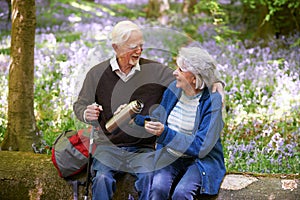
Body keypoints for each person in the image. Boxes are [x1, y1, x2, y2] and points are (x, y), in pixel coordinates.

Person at [73, 20, 225, 200]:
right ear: (116, 47)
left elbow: (193, 75)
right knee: (102, 179)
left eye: (141, 46)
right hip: (109, 147)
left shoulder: (155, 71)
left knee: (149, 180)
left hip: (142, 147)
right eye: (133, 46)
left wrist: (216, 81)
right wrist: (85, 112)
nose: (139, 51)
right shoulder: (96, 74)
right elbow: (80, 105)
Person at [134, 46, 226, 199]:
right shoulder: (174, 89)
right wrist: (134, 117)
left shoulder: (212, 100)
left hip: (199, 161)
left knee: (182, 193)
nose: (174, 72)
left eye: (181, 69)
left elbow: (201, 147)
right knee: (157, 188)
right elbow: (158, 118)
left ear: (195, 78)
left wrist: (165, 133)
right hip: (170, 156)